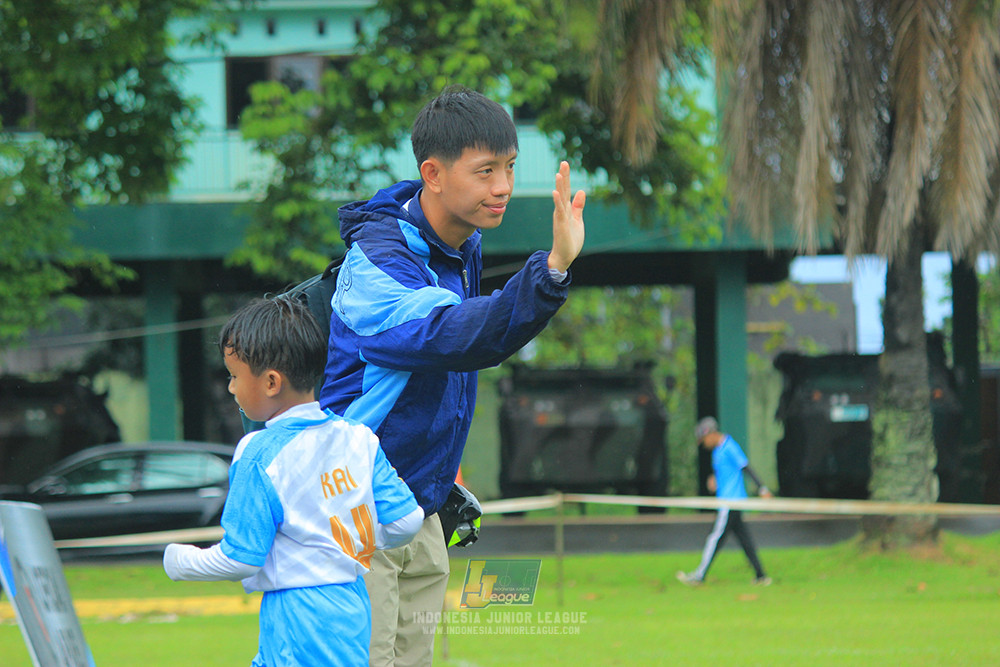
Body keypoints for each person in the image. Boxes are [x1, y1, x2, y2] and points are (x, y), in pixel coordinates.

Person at [319, 85, 586, 666]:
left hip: (420, 510)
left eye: (510, 167)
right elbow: (459, 336)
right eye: (486, 170)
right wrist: (553, 269)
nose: (504, 187)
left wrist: (441, 484)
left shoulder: (461, 244)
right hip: (354, 510)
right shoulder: (378, 267)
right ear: (432, 175)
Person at [163, 297, 423, 666]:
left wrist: (178, 561)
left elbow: (240, 559)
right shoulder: (358, 437)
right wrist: (351, 542)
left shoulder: (258, 453)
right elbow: (407, 520)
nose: (231, 388)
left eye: (234, 376)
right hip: (352, 604)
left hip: (297, 614)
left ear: (271, 382)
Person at [677, 416, 773, 587]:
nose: (704, 444)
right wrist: (715, 481)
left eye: (704, 439)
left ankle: (699, 575)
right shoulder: (717, 451)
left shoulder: (730, 446)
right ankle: (761, 575)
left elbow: (745, 467)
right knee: (745, 540)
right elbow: (727, 473)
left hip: (730, 502)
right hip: (728, 501)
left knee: (715, 539)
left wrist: (762, 488)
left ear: (711, 434)